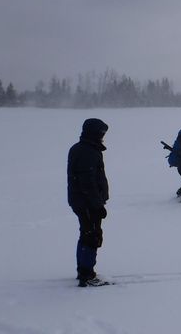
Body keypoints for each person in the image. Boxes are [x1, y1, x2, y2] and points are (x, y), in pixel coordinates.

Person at [67, 118, 110, 287]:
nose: (103, 137)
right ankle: (87, 274)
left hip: (83, 201)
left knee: (86, 233)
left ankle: (83, 270)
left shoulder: (84, 149)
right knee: (92, 236)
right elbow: (87, 182)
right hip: (87, 202)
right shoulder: (87, 152)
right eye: (101, 133)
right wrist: (97, 205)